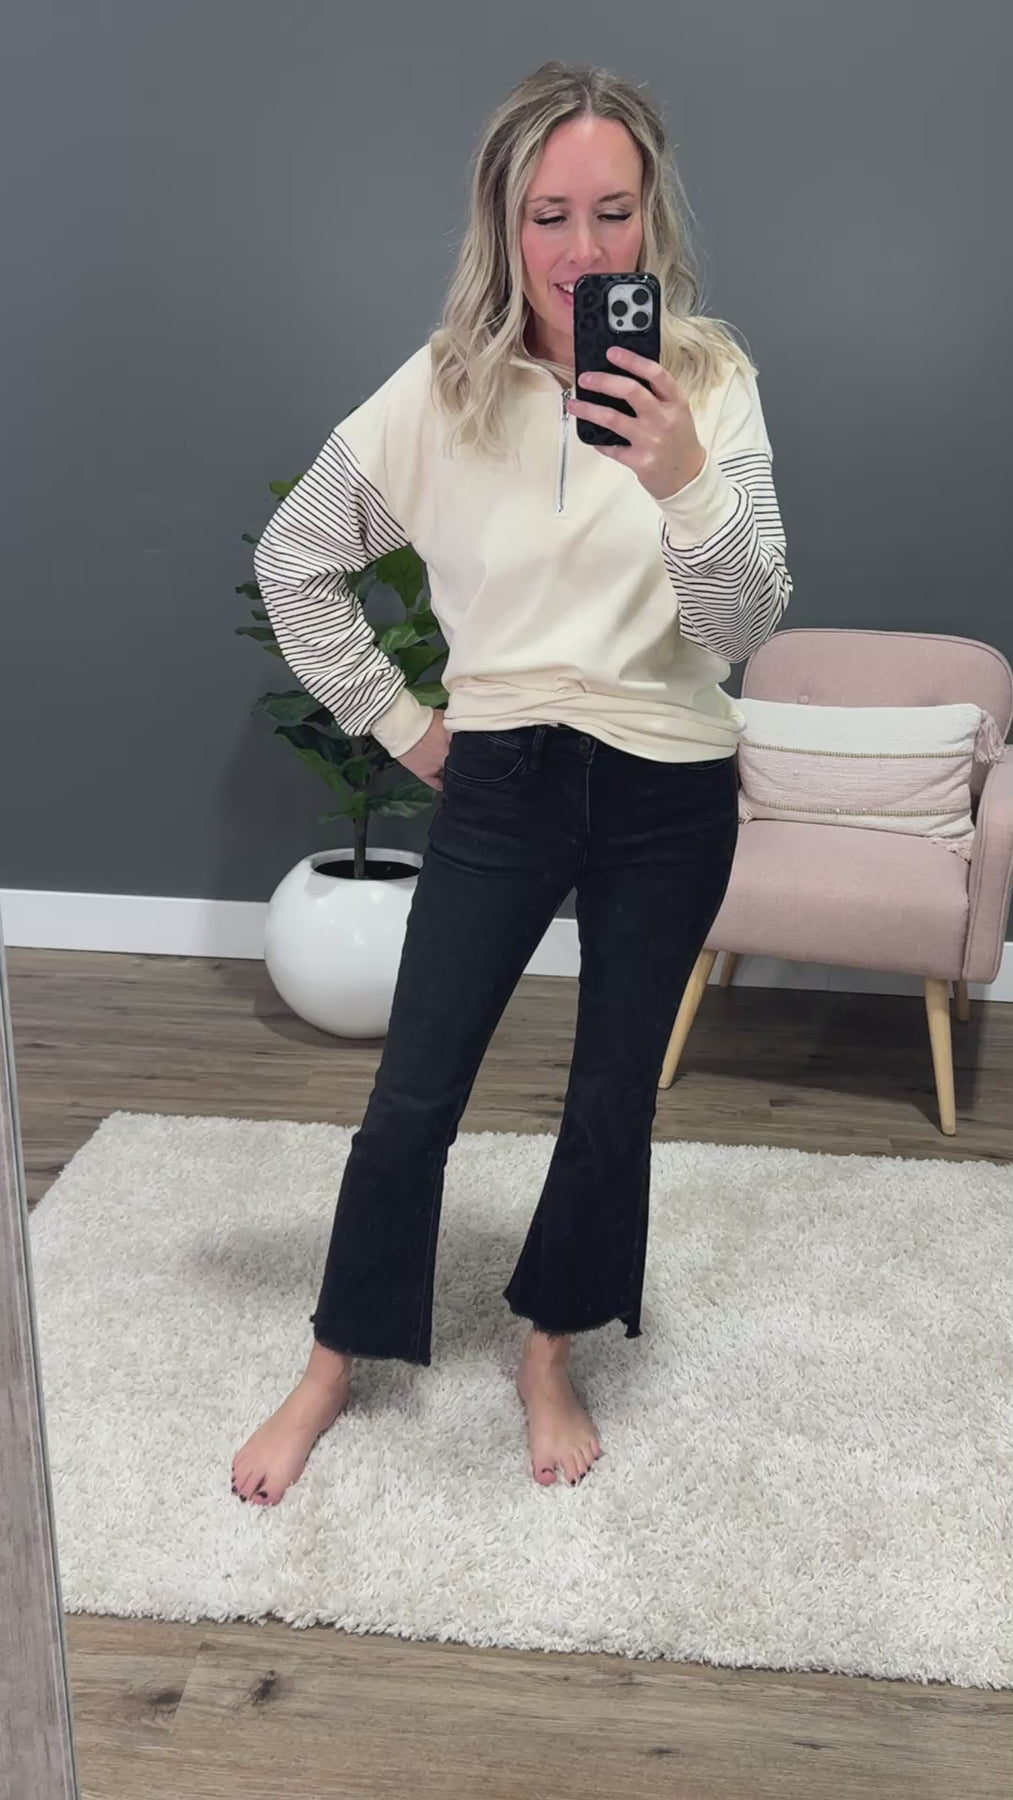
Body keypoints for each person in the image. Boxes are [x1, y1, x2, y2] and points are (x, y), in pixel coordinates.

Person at [232, 59, 792, 1506]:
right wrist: (409, 727)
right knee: (414, 1090)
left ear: (651, 214)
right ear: (504, 222)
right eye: (551, 214)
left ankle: (549, 1348)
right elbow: (296, 558)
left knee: (612, 1098)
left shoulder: (709, 381)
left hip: (672, 785)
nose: (585, 250)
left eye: (614, 211)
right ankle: (335, 1359)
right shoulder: (442, 390)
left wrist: (680, 473)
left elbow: (743, 624)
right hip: (504, 774)